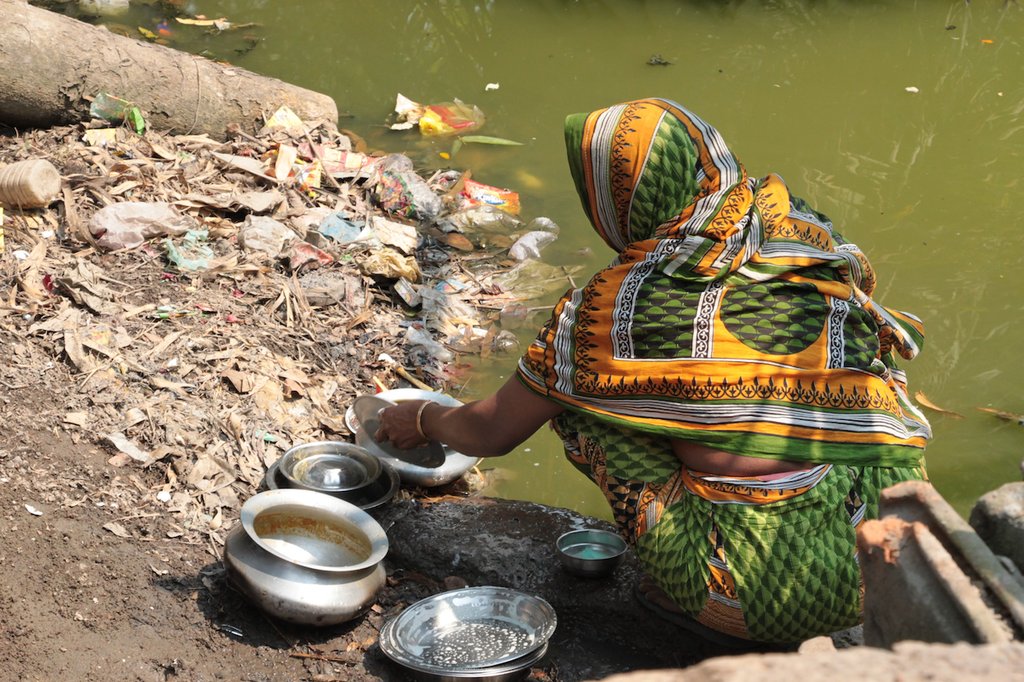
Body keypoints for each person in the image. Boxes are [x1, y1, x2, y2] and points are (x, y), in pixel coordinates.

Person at [375, 97, 931, 647]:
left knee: (579, 400)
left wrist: (421, 419)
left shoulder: (614, 306)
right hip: (882, 562)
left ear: (616, 198)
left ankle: (695, 588)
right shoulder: (803, 235)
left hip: (753, 597)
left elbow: (490, 432)